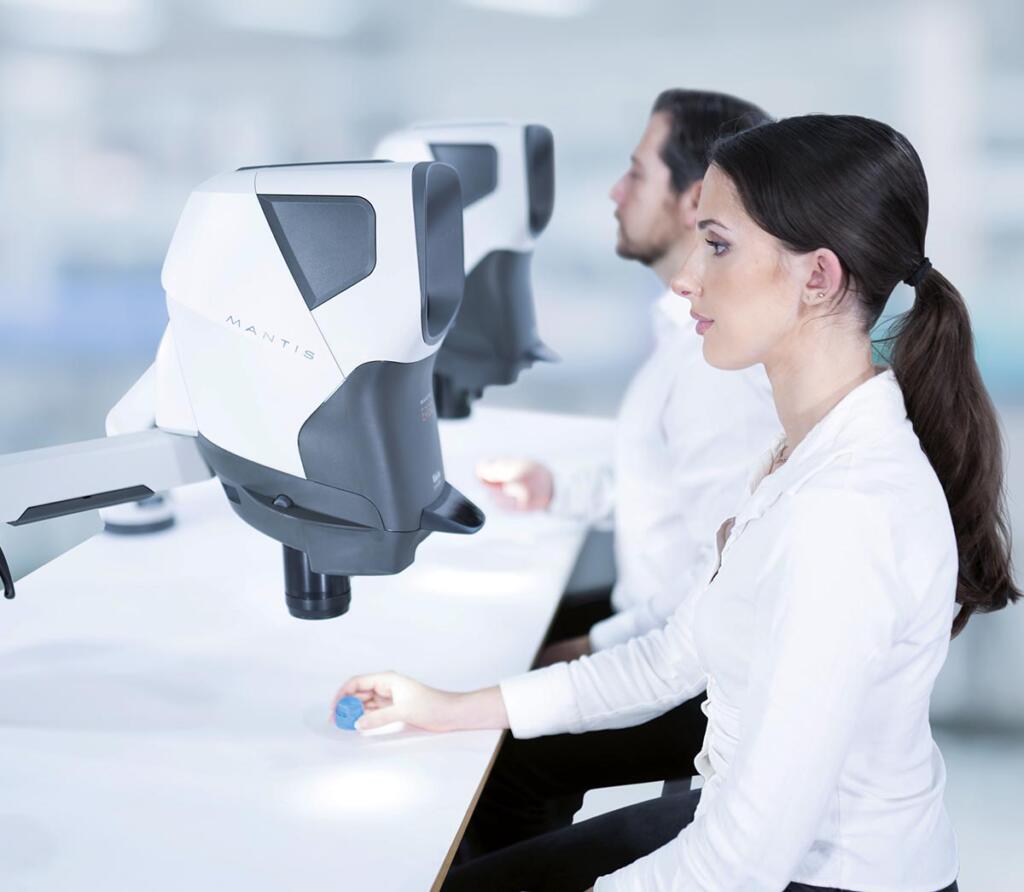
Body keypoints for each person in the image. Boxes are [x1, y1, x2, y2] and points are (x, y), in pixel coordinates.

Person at [336, 113, 1019, 891]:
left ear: (818, 277)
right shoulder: (800, 455)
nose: (688, 276)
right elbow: (671, 659)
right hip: (742, 830)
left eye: (719, 245)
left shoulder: (844, 517)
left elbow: (747, 862)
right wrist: (451, 708)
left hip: (823, 873)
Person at [465, 89, 780, 859]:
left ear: (692, 201)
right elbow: (677, 484)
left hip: (696, 675)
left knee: (502, 758)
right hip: (672, 638)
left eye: (635, 175)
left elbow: (720, 576)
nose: (614, 192)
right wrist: (560, 490)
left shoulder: (714, 368)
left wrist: (594, 646)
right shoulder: (688, 336)